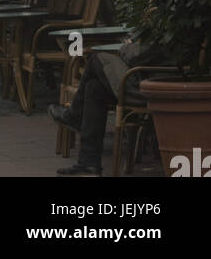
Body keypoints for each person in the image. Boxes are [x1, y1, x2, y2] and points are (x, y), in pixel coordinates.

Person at [49, 36, 170, 176]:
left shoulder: (169, 20)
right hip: (144, 79)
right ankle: (88, 163)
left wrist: (126, 46)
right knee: (94, 88)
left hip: (150, 86)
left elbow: (137, 55)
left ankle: (74, 116)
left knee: (96, 59)